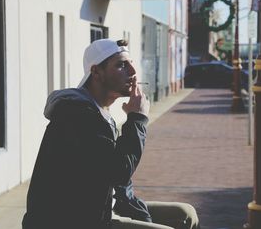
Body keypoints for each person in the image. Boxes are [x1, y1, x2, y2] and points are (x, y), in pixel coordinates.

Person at [22, 39, 200, 229]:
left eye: (131, 63)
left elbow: (119, 184)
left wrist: (139, 212)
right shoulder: (78, 115)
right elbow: (119, 172)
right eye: (121, 65)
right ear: (96, 72)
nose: (132, 71)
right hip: (73, 221)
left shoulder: (100, 113)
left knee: (186, 214)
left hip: (105, 208)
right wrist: (137, 119)